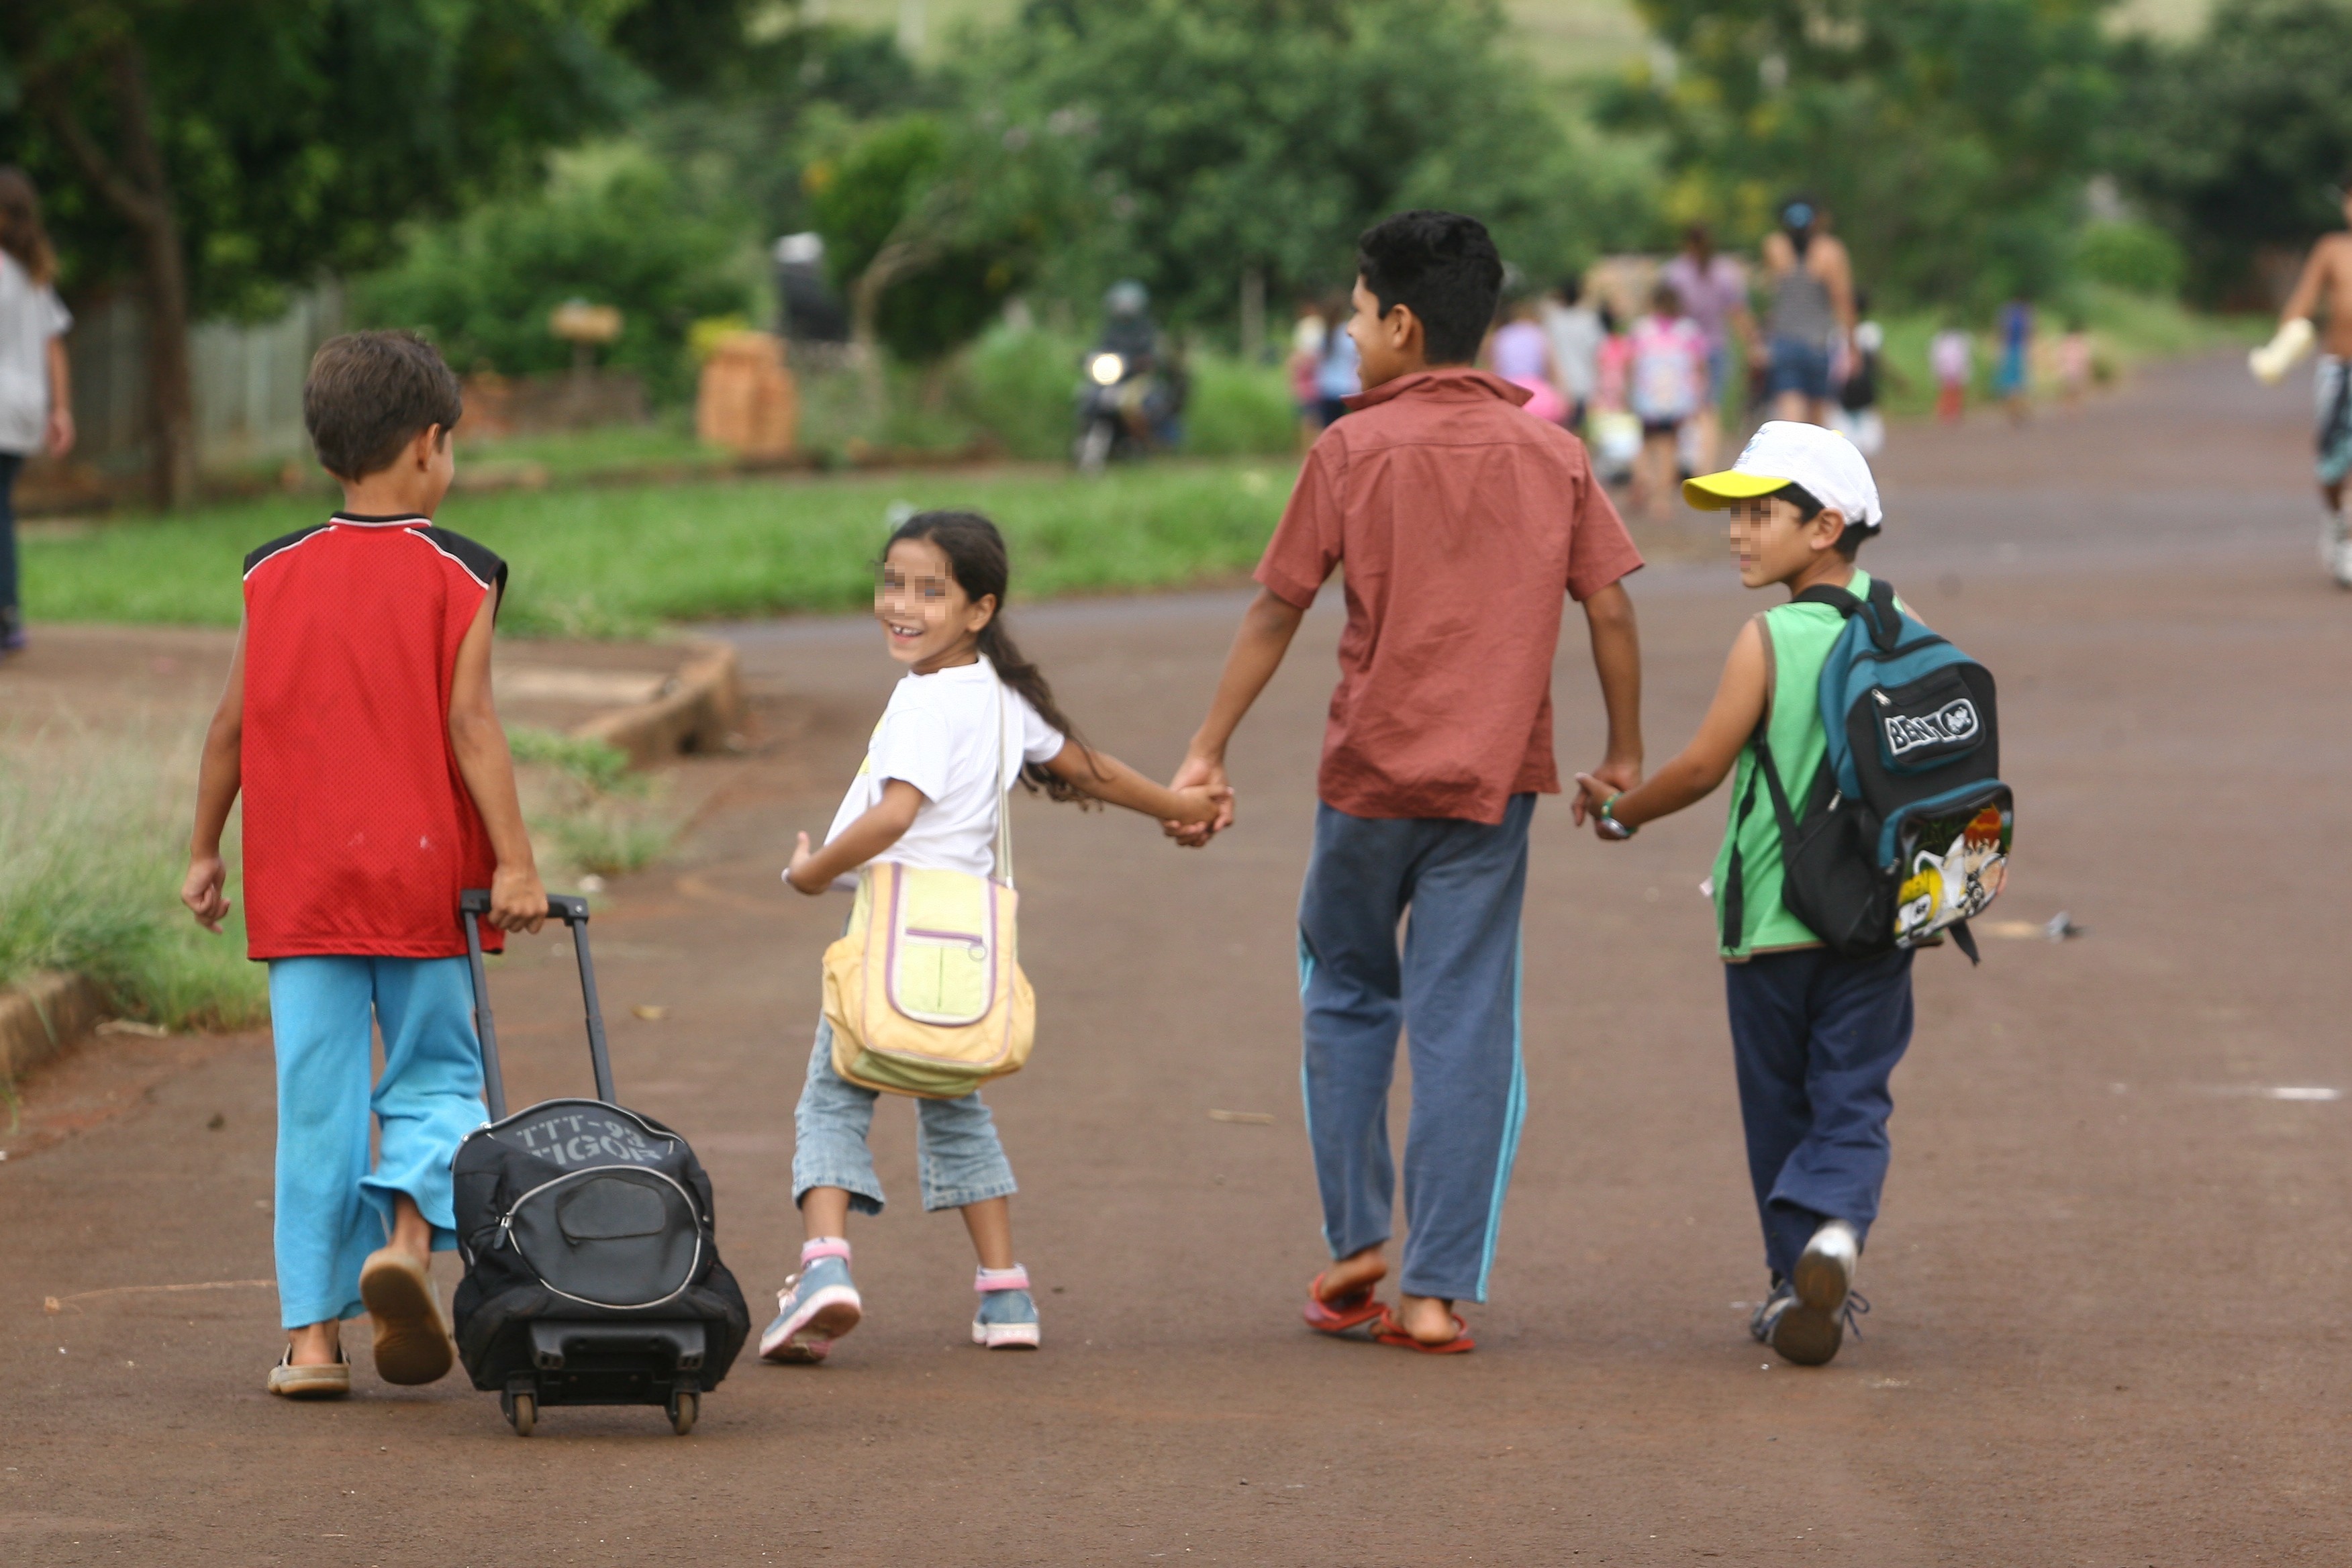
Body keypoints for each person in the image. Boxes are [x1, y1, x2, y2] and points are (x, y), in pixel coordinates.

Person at [1166, 211, 1645, 1353]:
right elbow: (1611, 605)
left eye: (1353, 315)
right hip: (1490, 786)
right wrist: (1622, 752)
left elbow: (1276, 604)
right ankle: (1431, 1290)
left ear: (1400, 322)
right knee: (1463, 1022)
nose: (1346, 335)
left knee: (1343, 992)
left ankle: (1353, 1246)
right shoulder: (1555, 456)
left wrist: (1208, 746)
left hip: (1366, 779)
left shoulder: (1345, 452)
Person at [762, 511, 1226, 1364]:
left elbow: (895, 813)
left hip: (891, 930)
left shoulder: (921, 700)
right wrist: (1181, 806)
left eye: (928, 590)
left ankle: (825, 1270)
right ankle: (1005, 1290)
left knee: (833, 1098)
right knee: (956, 1103)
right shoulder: (1000, 694)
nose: (901, 605)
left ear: (979, 608)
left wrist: (813, 869)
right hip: (965, 945)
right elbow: (1086, 767)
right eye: (892, 582)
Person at [179, 331, 548, 1399]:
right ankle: (401, 1240)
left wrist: (206, 849)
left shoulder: (271, 571)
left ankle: (309, 1343)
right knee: (438, 1076)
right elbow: (471, 727)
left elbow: (230, 727)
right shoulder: (460, 571)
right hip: (424, 882)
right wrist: (516, 864)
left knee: (316, 1102)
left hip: (300, 888)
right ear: (430, 447)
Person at [1571, 421, 1905, 1370]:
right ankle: (1837, 1237)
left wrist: (1623, 814)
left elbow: (1700, 768)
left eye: (1761, 514)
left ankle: (1787, 1277)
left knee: (1778, 1105)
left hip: (1769, 923)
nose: (1739, 532)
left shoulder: (1769, 638)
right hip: (1879, 916)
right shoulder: (1905, 626)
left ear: (1825, 525)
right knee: (1853, 1096)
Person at [2250, 175, 2352, 587]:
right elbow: (2301, 303)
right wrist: (2286, 341)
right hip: (2340, 368)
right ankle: (2336, 527)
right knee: (2332, 461)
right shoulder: (2333, 250)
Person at [0, 167, 75, 656]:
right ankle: (9, 613)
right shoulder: (35, 273)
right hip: (27, 406)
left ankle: (6, 613)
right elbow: (54, 348)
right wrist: (62, 410)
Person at [1663, 224, 1755, 473]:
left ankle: (1674, 466)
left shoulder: (1675, 273)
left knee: (1677, 410)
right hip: (1715, 349)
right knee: (1709, 411)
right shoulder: (1726, 272)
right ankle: (1706, 469)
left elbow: (1665, 314)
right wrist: (1753, 344)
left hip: (1679, 352)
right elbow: (1738, 313)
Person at [1757, 197, 1855, 427]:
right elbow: (1843, 301)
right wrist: (1852, 346)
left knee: (1790, 418)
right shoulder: (1830, 252)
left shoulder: (1774, 248)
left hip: (1784, 342)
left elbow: (1770, 298)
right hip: (1818, 343)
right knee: (1819, 420)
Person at [1627, 282, 1710, 520]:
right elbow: (1699, 364)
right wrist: (1699, 394)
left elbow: (1630, 363)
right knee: (1669, 448)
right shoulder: (1688, 331)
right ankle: (1661, 499)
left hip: (1647, 399)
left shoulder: (1642, 329)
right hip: (1676, 400)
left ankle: (1640, 481)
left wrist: (1628, 391)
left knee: (1644, 443)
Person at [1488, 291, 1567, 424]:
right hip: (1538, 396)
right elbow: (1552, 369)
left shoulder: (1502, 335)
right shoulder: (1538, 334)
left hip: (1509, 395)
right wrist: (1562, 397)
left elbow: (1495, 370)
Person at [1540, 275, 1604, 432]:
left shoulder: (1553, 320)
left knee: (1560, 431)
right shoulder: (1588, 320)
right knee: (1581, 430)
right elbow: (1598, 351)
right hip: (1584, 381)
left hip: (1559, 384)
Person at [1314, 297, 1362, 428]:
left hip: (1327, 387)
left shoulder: (1325, 332)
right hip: (1346, 387)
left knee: (1329, 429)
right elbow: (1356, 356)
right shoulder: (1345, 332)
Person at [1290, 297, 1330, 450]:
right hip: (1316, 379)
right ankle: (1314, 449)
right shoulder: (1319, 325)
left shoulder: (1308, 326)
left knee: (1309, 419)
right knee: (1315, 419)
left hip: (1310, 378)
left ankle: (1308, 449)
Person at [1993, 297, 2033, 426]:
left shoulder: (2006, 316)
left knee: (2008, 385)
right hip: (2020, 351)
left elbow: (2001, 335)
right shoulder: (2024, 316)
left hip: (2007, 351)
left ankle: (2012, 413)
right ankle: (2019, 410)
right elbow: (2028, 335)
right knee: (2019, 385)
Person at [1930, 324, 1972, 424]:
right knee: (1950, 392)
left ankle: (1951, 412)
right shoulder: (1954, 341)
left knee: (1952, 392)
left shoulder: (1942, 341)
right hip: (1950, 370)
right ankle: (1948, 411)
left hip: (1951, 370)